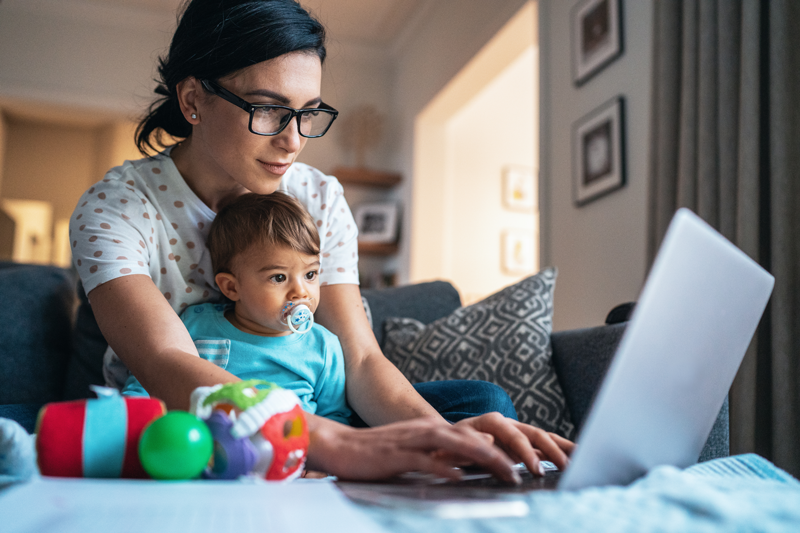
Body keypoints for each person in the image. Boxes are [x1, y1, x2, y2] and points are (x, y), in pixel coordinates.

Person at [69, 0, 573, 483]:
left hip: (313, 405)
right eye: (267, 110)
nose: (293, 140)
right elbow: (167, 362)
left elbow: (359, 359)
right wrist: (336, 444)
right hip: (180, 418)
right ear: (193, 99)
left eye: (307, 113)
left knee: (482, 409)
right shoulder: (118, 206)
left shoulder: (318, 195)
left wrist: (438, 437)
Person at [122, 191, 353, 426]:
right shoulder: (195, 325)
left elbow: (336, 419)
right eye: (279, 277)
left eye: (310, 274)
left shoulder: (324, 348)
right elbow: (147, 382)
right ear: (232, 287)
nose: (301, 292)